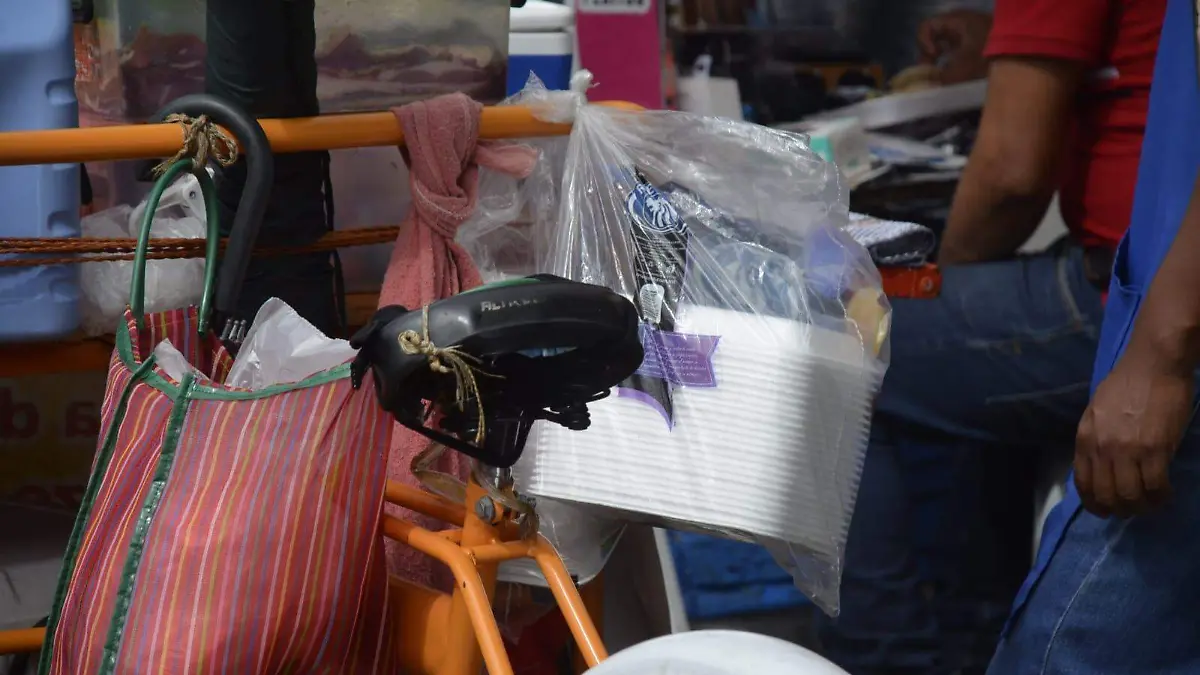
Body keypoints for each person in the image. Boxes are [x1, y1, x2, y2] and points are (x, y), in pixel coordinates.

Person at [816, 0, 1167, 673]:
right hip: (1128, 277)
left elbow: (1012, 172)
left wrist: (940, 284)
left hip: (1132, 297)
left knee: (845, 342)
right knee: (951, 345)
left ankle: (885, 658)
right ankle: (972, 634)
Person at [988, 0, 1200, 670]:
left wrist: (1162, 354)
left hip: (1180, 330)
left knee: (1061, 651)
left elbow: (1011, 171)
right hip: (1158, 299)